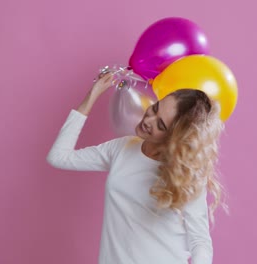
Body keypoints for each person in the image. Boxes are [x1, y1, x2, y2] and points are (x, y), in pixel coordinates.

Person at [46, 72, 229, 264]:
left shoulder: (184, 174)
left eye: (160, 125)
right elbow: (59, 157)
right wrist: (93, 95)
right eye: (155, 108)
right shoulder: (121, 148)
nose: (148, 120)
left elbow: (199, 240)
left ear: (175, 138)